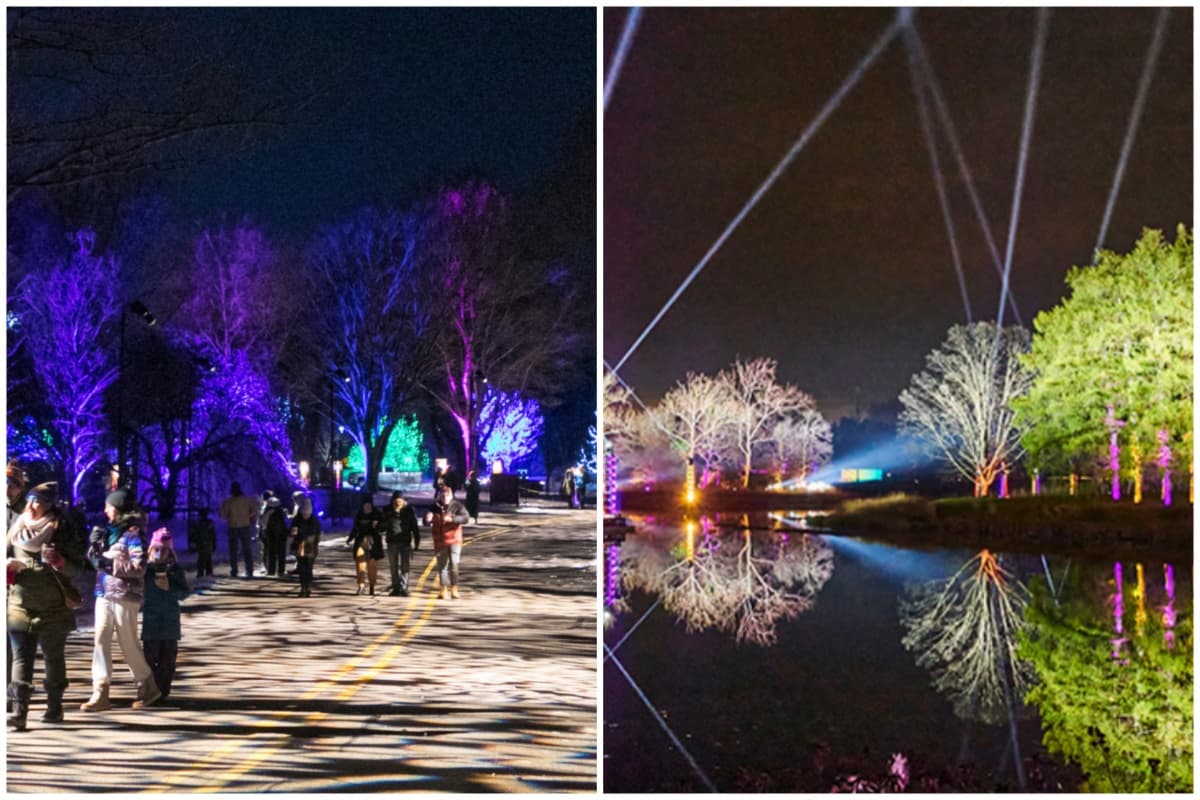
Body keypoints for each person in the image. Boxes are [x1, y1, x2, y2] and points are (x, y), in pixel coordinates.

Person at [7, 482, 79, 731]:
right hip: (20, 602)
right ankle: (19, 711)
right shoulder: (17, 526)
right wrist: (8, 565)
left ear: (49, 504)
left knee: (53, 658)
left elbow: (79, 565)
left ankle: (54, 706)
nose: (30, 506)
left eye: (37, 501)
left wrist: (60, 563)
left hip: (53, 606)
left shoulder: (61, 528)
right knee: (21, 658)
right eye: (29, 500)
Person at [82, 489, 160, 712]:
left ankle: (147, 685)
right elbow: (96, 560)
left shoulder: (134, 535)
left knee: (128, 643)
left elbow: (139, 567)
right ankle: (100, 690)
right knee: (100, 640)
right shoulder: (110, 532)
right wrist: (93, 547)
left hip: (125, 594)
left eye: (109, 506)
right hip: (104, 592)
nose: (105, 510)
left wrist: (109, 566)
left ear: (117, 509)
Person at [141, 529, 189, 702]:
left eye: (164, 549)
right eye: (156, 549)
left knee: (167, 660)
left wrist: (170, 588)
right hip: (151, 622)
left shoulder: (175, 570)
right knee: (149, 658)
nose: (159, 553)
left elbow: (184, 593)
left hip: (169, 622)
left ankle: (163, 690)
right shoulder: (145, 570)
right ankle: (151, 689)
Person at [423, 485, 469, 600]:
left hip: (454, 540)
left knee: (454, 564)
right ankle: (443, 589)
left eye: (447, 495)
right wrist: (427, 519)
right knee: (442, 566)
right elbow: (426, 521)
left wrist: (453, 519)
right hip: (440, 540)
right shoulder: (434, 507)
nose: (445, 498)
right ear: (439, 496)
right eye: (442, 495)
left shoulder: (457, 506)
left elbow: (466, 518)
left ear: (451, 496)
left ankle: (454, 588)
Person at [381, 491, 419, 596]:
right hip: (392, 542)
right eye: (396, 501)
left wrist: (417, 540)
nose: (398, 503)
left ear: (403, 501)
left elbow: (414, 526)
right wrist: (392, 515)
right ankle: (396, 587)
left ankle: (404, 587)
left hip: (405, 542)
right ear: (393, 501)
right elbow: (382, 525)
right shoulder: (387, 510)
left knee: (405, 566)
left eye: (400, 501)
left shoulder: (409, 510)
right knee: (393, 566)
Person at [218, 482, 257, 578]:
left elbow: (223, 515)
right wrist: (248, 516)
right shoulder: (247, 500)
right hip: (245, 525)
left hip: (233, 526)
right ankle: (250, 570)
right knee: (247, 549)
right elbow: (254, 510)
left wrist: (226, 515)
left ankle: (234, 570)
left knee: (233, 550)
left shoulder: (228, 502)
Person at [349, 497, 382, 596]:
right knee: (360, 564)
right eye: (365, 506)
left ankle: (372, 585)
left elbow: (383, 526)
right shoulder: (359, 515)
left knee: (372, 566)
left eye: (369, 505)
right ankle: (361, 585)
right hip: (361, 541)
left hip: (373, 542)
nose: (367, 507)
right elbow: (355, 528)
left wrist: (377, 526)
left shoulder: (377, 514)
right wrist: (350, 538)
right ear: (362, 506)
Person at [289, 497, 321, 598]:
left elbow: (318, 535)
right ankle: (303, 587)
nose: (305, 515)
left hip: (310, 547)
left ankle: (308, 587)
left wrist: (313, 542)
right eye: (304, 512)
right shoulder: (297, 520)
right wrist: (293, 534)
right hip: (299, 546)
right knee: (302, 568)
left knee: (309, 568)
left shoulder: (314, 521)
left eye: (307, 513)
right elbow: (292, 532)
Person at [259, 493, 288, 578]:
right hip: (282, 532)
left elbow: (263, 522)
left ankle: (271, 571)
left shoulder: (268, 510)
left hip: (270, 532)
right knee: (281, 552)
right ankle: (281, 571)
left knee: (271, 552)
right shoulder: (281, 512)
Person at [190, 508, 216, 578]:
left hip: (200, 543)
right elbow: (212, 535)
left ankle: (200, 574)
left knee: (201, 559)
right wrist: (214, 544)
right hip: (208, 543)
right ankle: (209, 573)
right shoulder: (210, 523)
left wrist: (194, 542)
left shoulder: (197, 523)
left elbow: (194, 534)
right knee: (208, 559)